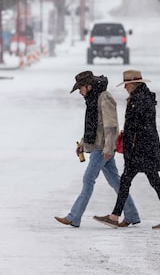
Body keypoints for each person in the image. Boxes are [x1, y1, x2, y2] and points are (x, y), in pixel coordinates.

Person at [93, 70, 160, 230]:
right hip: (144, 147)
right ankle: (116, 216)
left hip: (140, 149)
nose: (125, 87)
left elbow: (137, 126)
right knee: (134, 182)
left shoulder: (139, 100)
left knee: (137, 182)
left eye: (126, 84)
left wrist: (128, 141)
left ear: (133, 84)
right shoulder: (143, 97)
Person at [55, 70, 141, 228]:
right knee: (116, 182)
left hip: (102, 149)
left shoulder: (104, 97)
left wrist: (108, 148)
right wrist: (82, 143)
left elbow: (111, 126)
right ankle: (132, 214)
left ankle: (74, 217)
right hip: (98, 146)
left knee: (88, 180)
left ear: (88, 86)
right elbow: (93, 126)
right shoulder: (92, 99)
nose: (80, 92)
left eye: (80, 88)